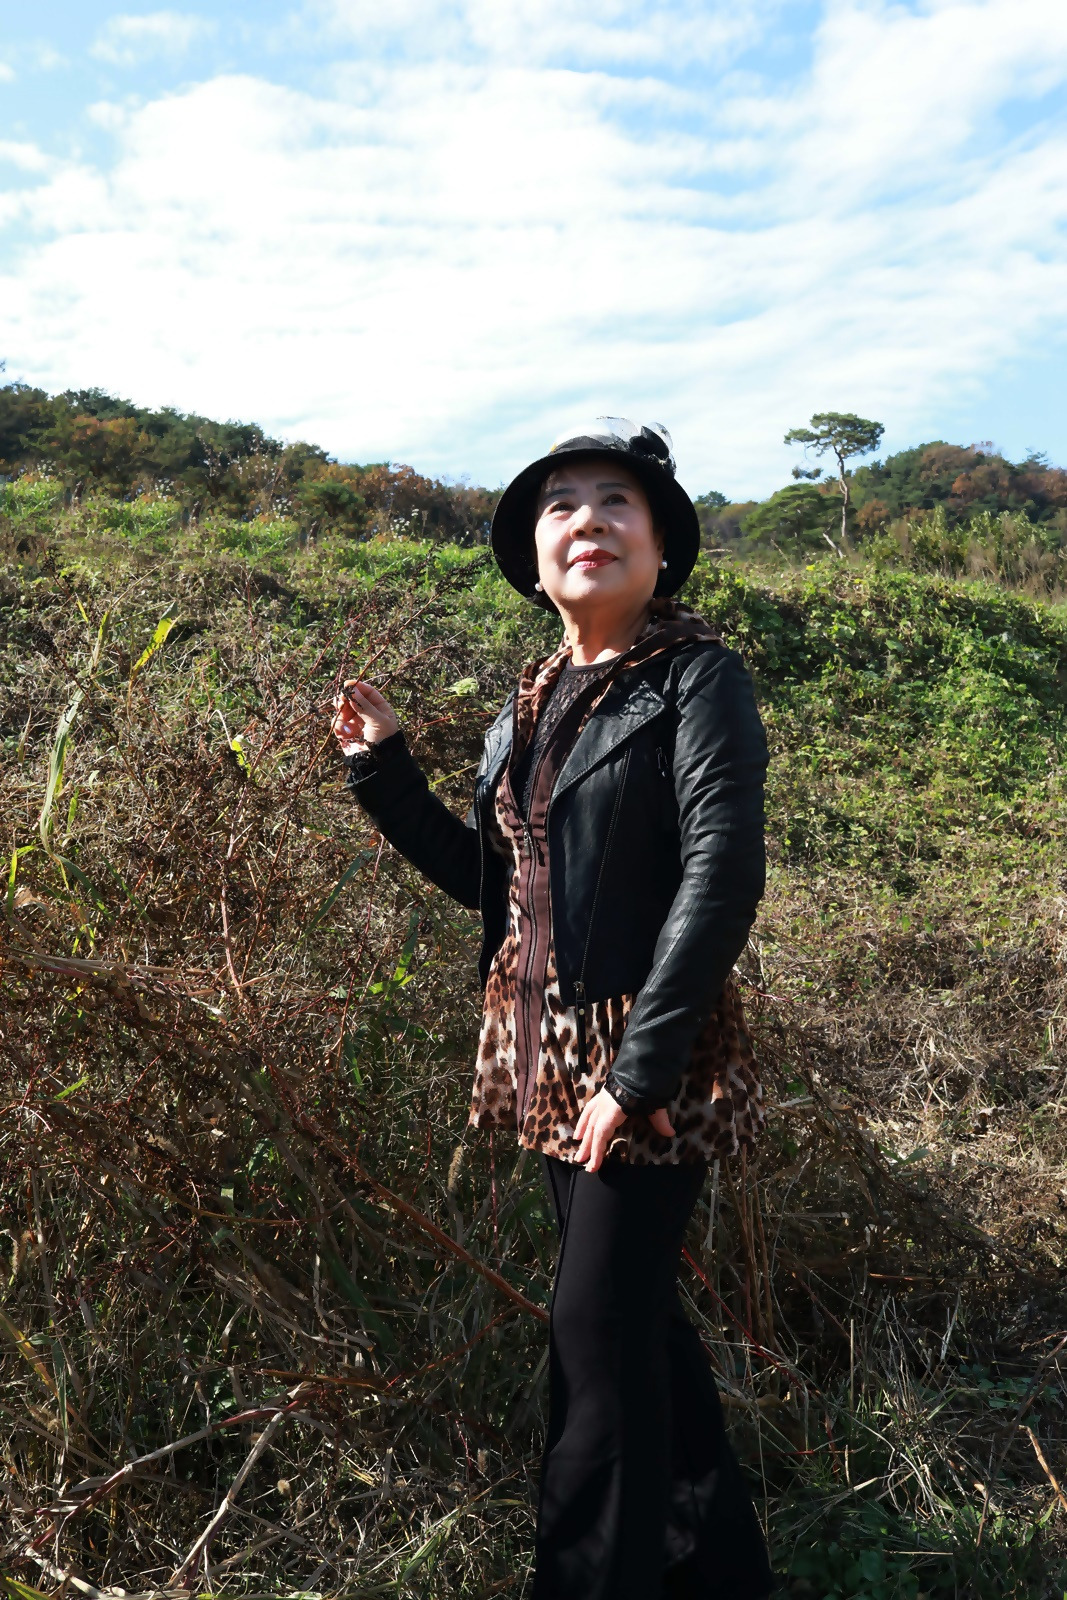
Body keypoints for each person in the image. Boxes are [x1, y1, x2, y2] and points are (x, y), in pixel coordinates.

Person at [331, 417, 776, 1600]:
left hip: (648, 1051)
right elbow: (500, 889)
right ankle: (716, 1571)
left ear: (660, 550)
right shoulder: (524, 708)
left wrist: (638, 1072)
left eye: (617, 502)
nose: (589, 520)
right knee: (631, 1323)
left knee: (591, 1337)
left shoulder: (695, 677)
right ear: (534, 561)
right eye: (561, 503)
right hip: (541, 1046)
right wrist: (384, 770)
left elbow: (720, 871)